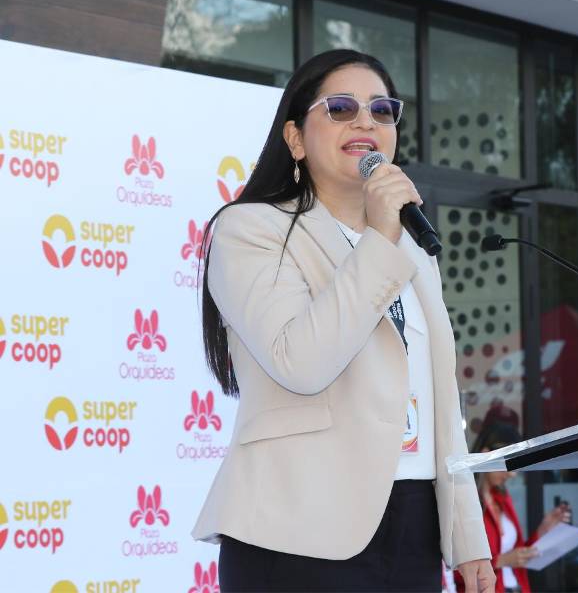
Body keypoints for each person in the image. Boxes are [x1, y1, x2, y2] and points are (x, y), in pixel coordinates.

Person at [190, 49, 493, 592]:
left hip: (414, 521)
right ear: (296, 140)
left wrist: (470, 540)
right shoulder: (252, 230)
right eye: (340, 107)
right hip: (296, 527)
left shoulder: (415, 254)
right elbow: (301, 363)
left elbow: (443, 403)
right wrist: (380, 239)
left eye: (382, 110)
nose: (365, 121)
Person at [455, 422, 571, 592]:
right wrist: (501, 561)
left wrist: (543, 530)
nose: (512, 474)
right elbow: (450, 569)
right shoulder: (464, 501)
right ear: (486, 455)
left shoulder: (502, 497)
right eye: (507, 465)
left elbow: (516, 554)